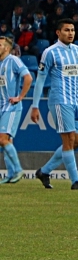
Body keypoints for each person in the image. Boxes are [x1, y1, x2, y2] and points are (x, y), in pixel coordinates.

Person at [30, 18, 78, 190]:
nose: (70, 33)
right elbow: (40, 80)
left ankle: (44, 171)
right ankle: (75, 181)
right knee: (69, 139)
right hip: (59, 100)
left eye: (72, 30)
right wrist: (35, 106)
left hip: (75, 101)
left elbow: (77, 73)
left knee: (77, 142)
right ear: (58, 32)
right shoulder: (50, 52)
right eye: (66, 30)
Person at [0, 36, 32, 183]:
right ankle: (11, 173)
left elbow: (28, 77)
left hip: (11, 107)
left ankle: (18, 170)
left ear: (6, 48)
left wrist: (20, 97)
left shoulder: (13, 60)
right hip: (1, 107)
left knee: (2, 139)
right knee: (7, 141)